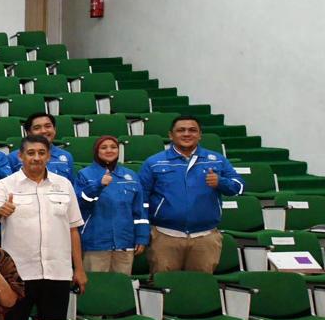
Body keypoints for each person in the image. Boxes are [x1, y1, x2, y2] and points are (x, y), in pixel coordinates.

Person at [0, 135, 86, 320]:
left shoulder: (64, 185)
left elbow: (73, 228)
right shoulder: (6, 185)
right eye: (31, 153)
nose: (36, 157)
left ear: (48, 156)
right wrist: (0, 212)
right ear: (21, 156)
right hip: (18, 274)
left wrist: (79, 269)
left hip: (57, 273)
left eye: (41, 153)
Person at [137, 115, 244, 275]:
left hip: (205, 238)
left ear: (200, 135)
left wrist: (220, 182)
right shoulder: (154, 162)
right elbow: (141, 199)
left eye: (192, 130)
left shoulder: (217, 160)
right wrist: (142, 232)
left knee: (199, 286)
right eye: (181, 130)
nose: (187, 134)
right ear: (171, 135)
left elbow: (239, 186)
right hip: (165, 237)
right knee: (164, 286)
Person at [76, 135, 149, 274]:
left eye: (113, 147)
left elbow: (140, 210)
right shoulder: (84, 175)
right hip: (95, 243)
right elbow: (80, 204)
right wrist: (98, 185)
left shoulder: (131, 176)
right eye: (104, 147)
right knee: (95, 285)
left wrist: (142, 236)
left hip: (125, 244)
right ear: (96, 151)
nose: (109, 150)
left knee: (121, 285)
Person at [21, 113, 76, 180]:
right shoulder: (15, 157)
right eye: (37, 128)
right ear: (29, 133)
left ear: (54, 129)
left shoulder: (66, 156)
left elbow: (70, 184)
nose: (43, 131)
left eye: (47, 126)